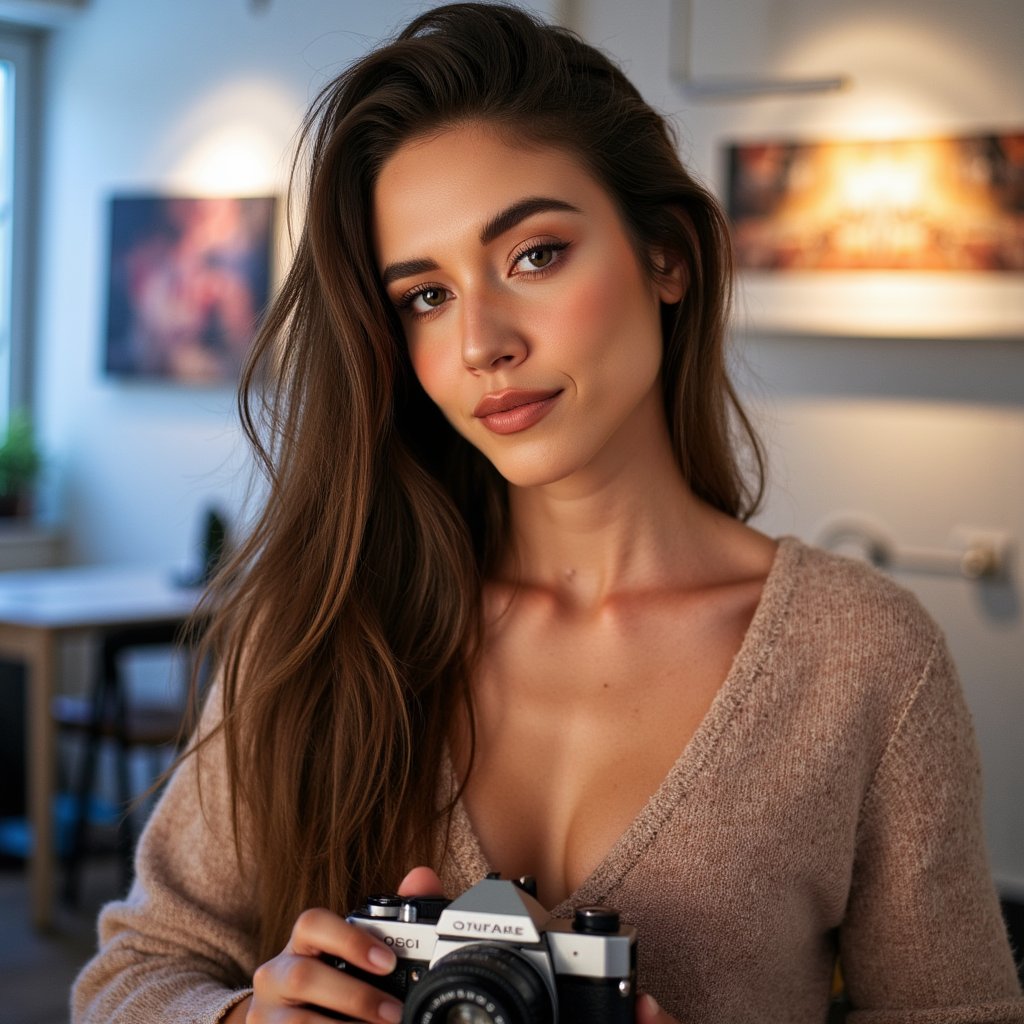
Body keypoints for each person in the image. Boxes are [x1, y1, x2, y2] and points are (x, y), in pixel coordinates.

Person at [72, 4, 1023, 1023]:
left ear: (665, 255)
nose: (482, 341)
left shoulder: (864, 659)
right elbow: (136, 969)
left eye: (532, 255)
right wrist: (238, 1020)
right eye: (424, 296)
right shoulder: (316, 626)